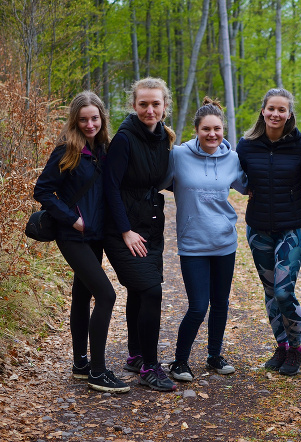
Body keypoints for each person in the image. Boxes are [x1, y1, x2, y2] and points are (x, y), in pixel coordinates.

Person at [34, 91, 129, 393]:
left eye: (95, 118)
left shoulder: (105, 149)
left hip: (96, 236)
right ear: (75, 120)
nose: (90, 124)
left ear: (102, 118)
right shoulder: (67, 150)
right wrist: (72, 218)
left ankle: (80, 364)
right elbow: (43, 191)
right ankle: (97, 373)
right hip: (72, 235)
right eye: (84, 119)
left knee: (81, 295)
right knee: (107, 295)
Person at [161, 98, 247, 382]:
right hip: (193, 244)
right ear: (196, 130)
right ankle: (180, 361)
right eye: (206, 129)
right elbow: (155, 180)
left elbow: (250, 186)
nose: (212, 134)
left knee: (220, 303)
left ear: (224, 130)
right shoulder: (178, 155)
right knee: (199, 305)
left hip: (224, 242)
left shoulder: (233, 159)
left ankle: (214, 356)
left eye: (217, 129)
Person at [103, 77, 177, 392]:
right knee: (151, 292)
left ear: (165, 107)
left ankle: (135, 355)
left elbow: (162, 179)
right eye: (143, 104)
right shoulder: (124, 139)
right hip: (122, 230)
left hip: (150, 227)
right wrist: (125, 231)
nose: (149, 109)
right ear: (134, 106)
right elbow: (110, 188)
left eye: (155, 104)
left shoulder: (163, 138)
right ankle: (149, 364)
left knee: (139, 291)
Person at [236, 88, 301, 376]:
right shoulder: (246, 145)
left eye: (282, 109)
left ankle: (296, 348)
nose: (276, 114)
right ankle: (281, 346)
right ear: (263, 111)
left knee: (283, 290)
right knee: (269, 291)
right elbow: (234, 175)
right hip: (258, 229)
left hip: (291, 227)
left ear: (289, 114)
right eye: (271, 109)